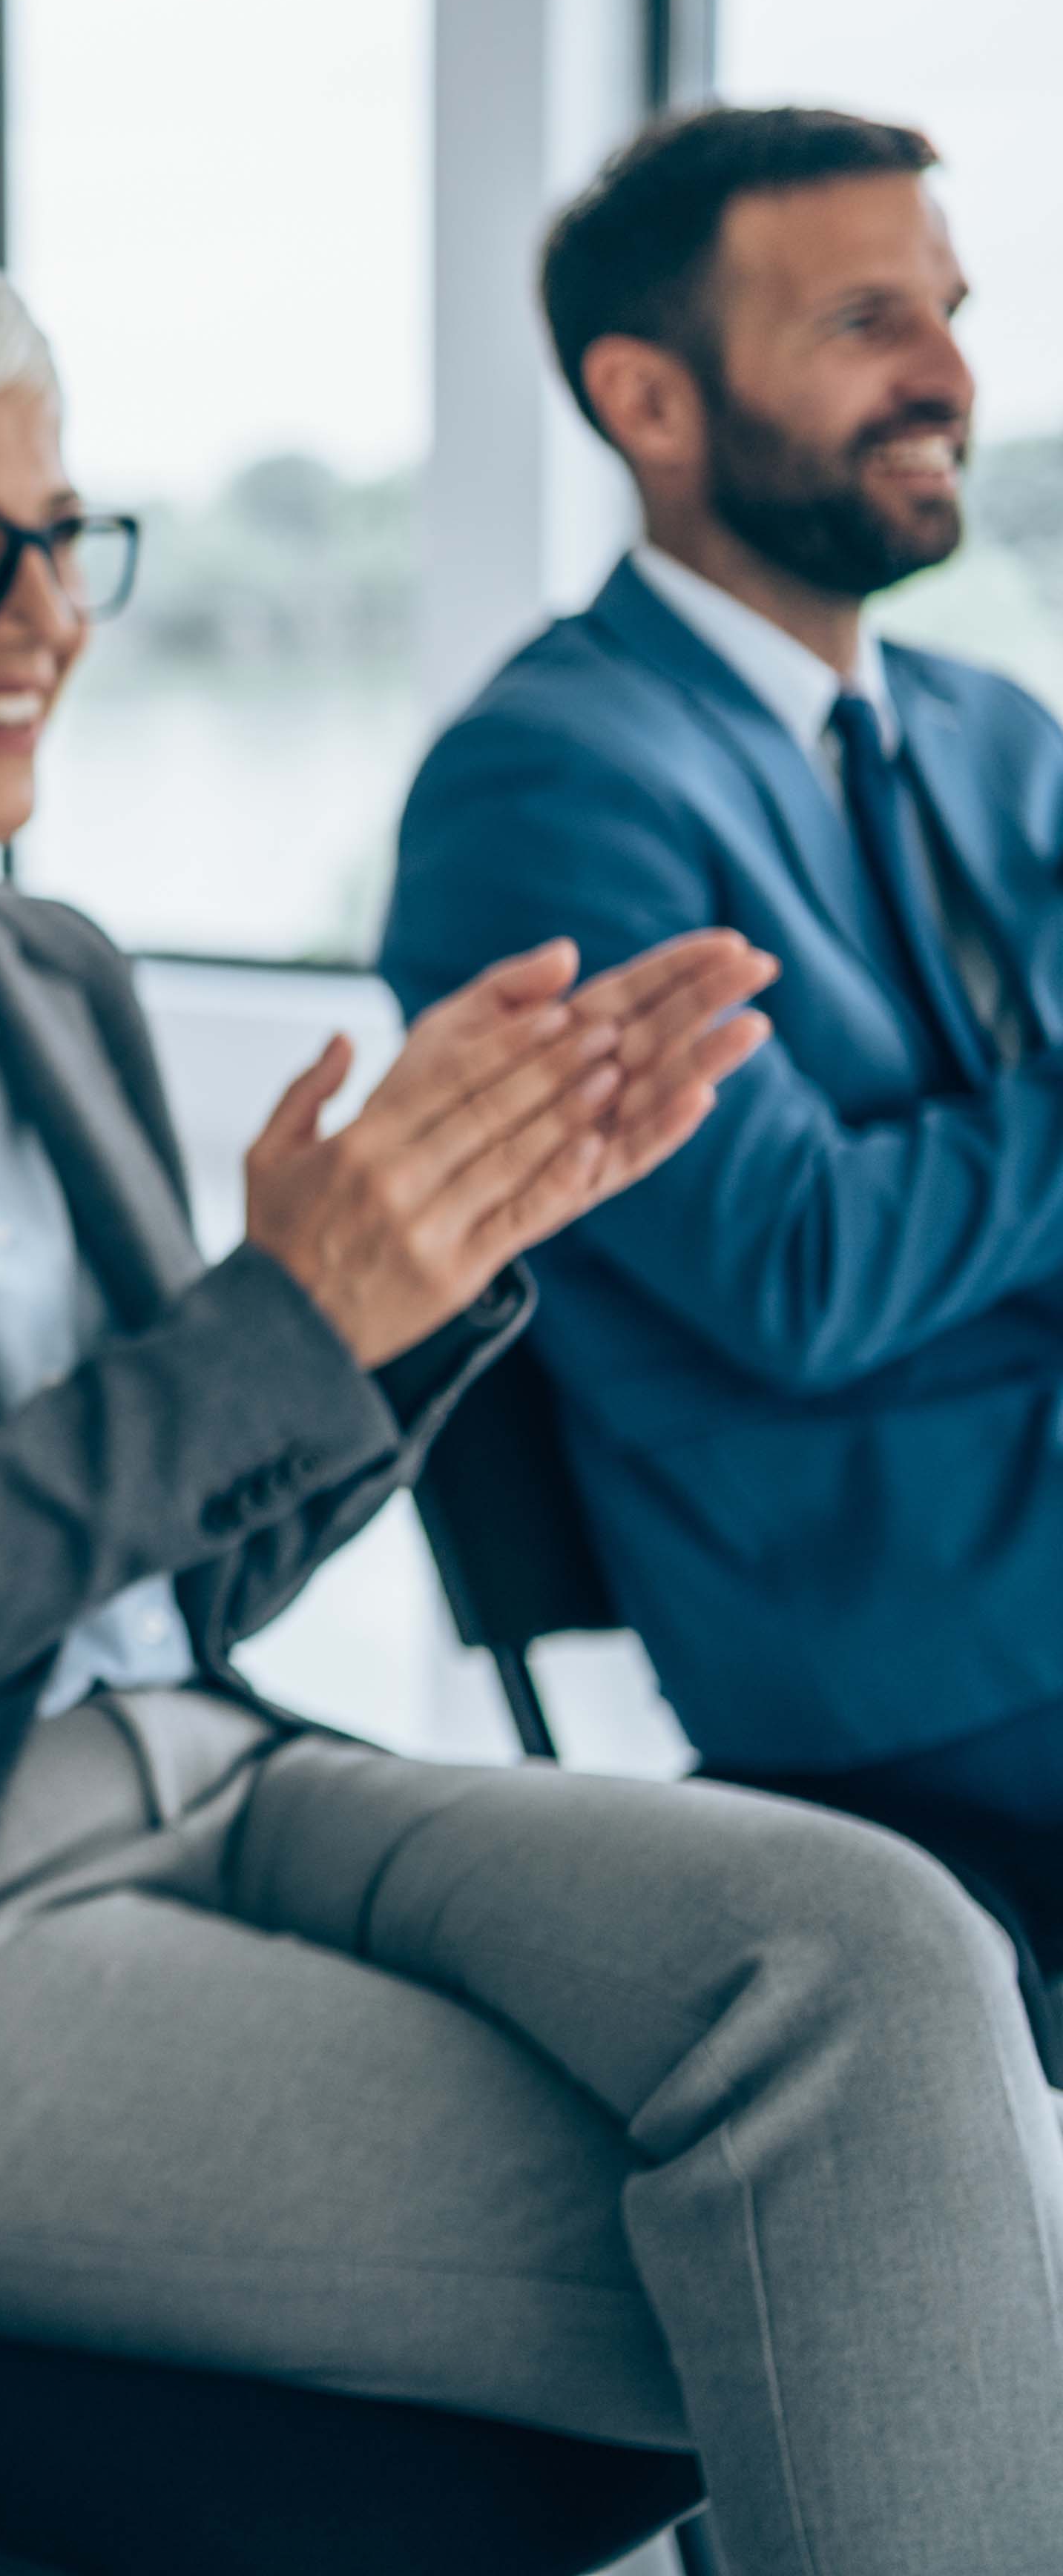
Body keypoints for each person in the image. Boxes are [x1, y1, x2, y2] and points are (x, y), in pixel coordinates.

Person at [0, 246, 1063, 2576]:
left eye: (56, 535)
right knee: (878, 2249)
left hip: (205, 1757)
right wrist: (277, 1321)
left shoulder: (43, 969)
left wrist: (399, 1301)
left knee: (883, 1949)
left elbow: (186, 1563)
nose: (39, 613)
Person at [385, 107, 1063, 1923]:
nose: (947, 374)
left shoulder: (997, 733)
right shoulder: (541, 791)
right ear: (647, 402)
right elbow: (802, 1269)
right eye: (863, 323)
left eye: (949, 307)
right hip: (912, 1658)